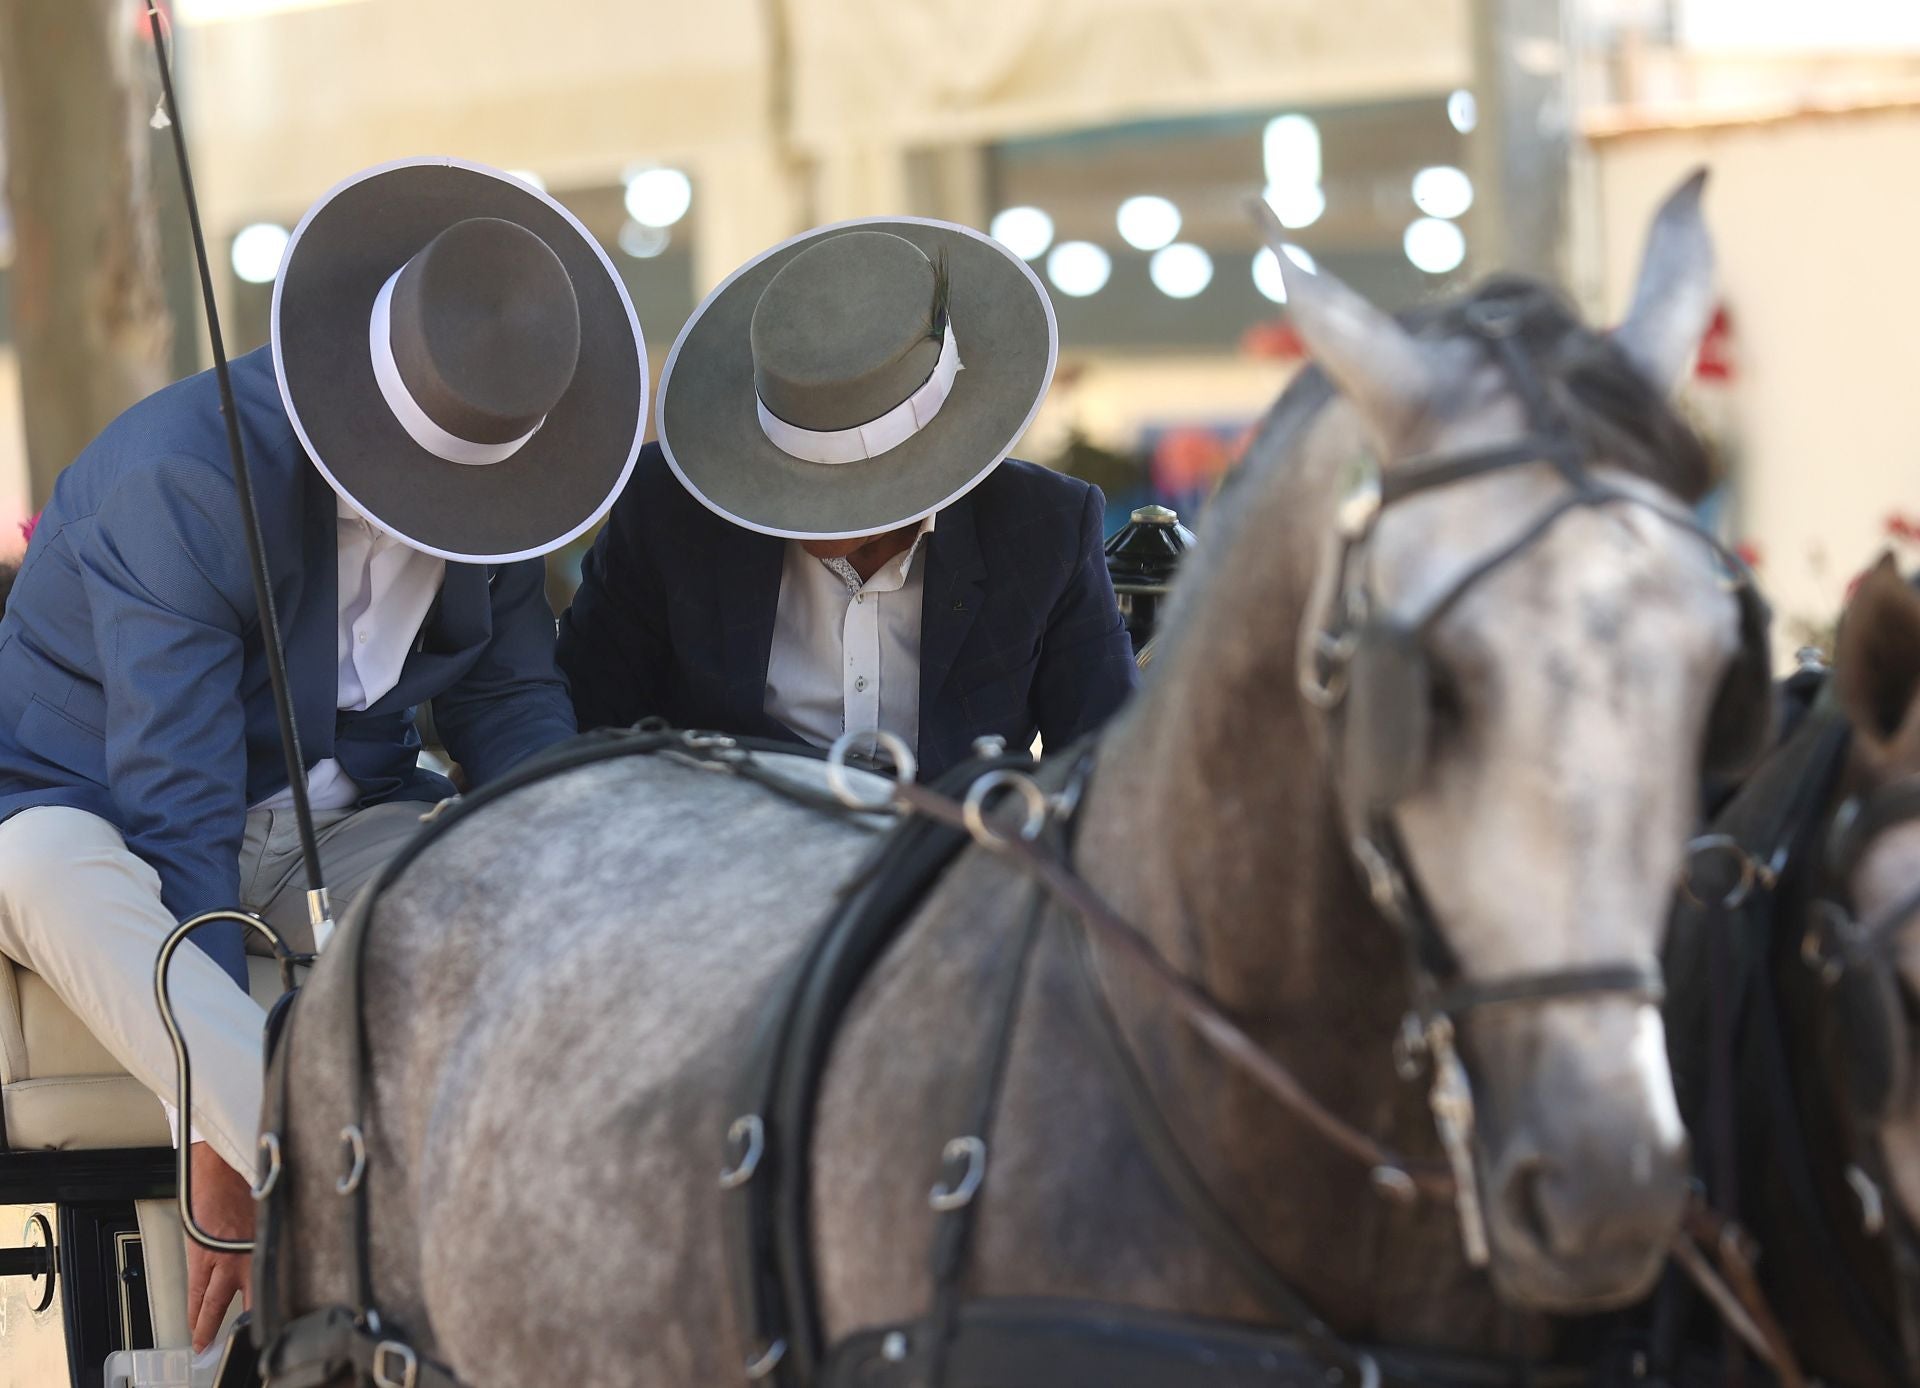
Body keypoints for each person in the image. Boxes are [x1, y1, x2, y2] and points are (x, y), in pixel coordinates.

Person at [0, 158, 648, 1349]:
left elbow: (513, 709)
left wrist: (578, 872)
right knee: (37, 869)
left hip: (347, 820)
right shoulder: (182, 476)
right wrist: (214, 1127)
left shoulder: (500, 486)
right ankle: (319, 1180)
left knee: (499, 885)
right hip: (94, 812)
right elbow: (173, 798)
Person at [558, 217, 1136, 778]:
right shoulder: (670, 506)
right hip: (723, 845)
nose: (815, 515)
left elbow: (1104, 762)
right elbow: (586, 718)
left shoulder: (1044, 528)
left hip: (953, 857)